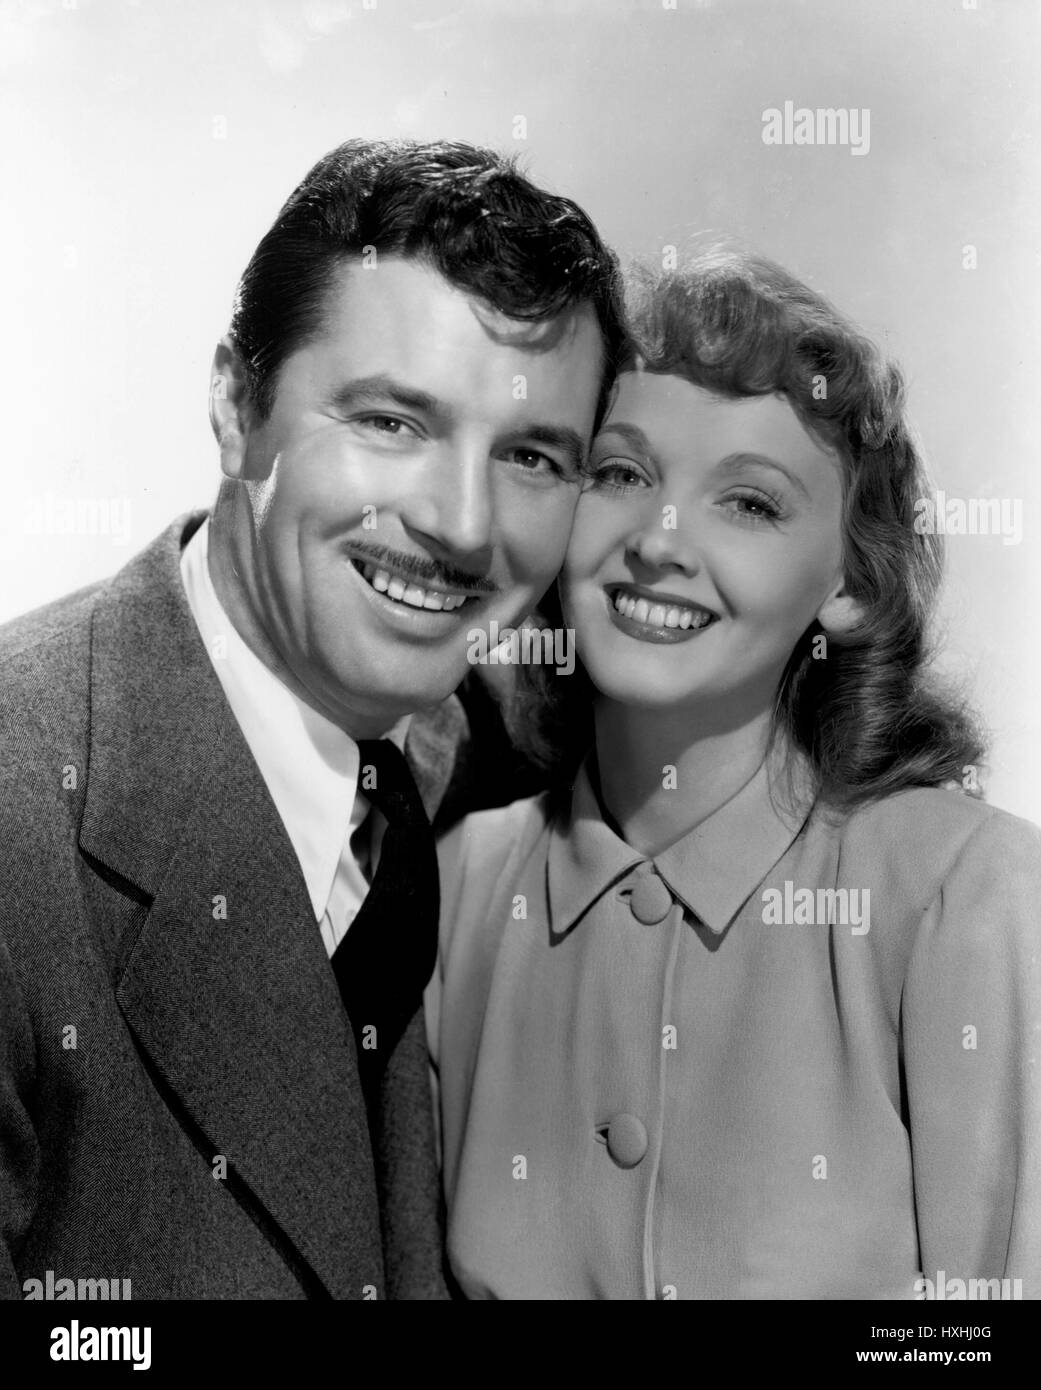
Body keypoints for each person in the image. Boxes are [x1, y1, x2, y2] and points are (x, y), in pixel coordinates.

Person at [0, 138, 625, 1300]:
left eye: (534, 455)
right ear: (238, 408)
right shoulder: (20, 814)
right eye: (393, 422)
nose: (463, 523)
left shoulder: (471, 752)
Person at [428, 249, 1041, 1300]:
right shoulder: (454, 895)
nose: (659, 543)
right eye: (621, 475)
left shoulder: (969, 898)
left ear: (847, 584)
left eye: (749, 504)